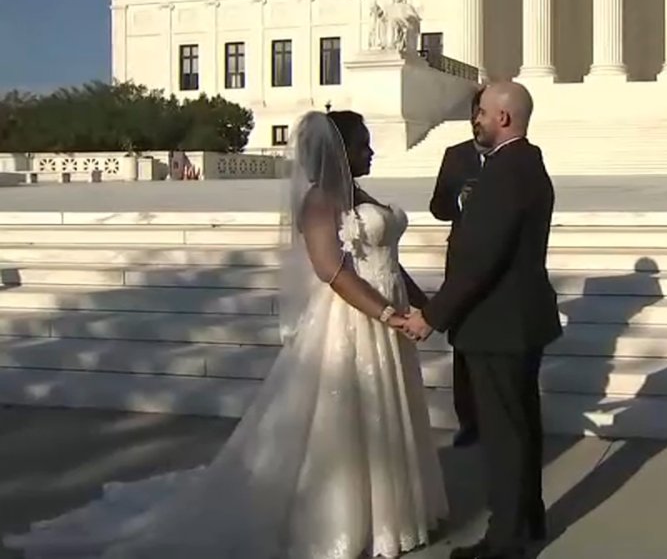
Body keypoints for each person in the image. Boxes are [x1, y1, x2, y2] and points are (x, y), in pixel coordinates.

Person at [4, 110, 448, 557]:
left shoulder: (360, 194)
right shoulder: (319, 202)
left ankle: (390, 512)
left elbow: (388, 262)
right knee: (347, 418)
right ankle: (343, 520)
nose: (370, 151)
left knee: (382, 411)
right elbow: (331, 271)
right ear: (339, 151)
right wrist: (388, 314)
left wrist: (424, 305)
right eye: (361, 143)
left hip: (385, 312)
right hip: (353, 319)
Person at [400, 81, 560, 559]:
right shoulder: (528, 163)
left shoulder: (505, 172)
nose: (476, 120)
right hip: (519, 319)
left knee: (504, 437)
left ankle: (505, 541)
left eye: (482, 113)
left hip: (497, 323)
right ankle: (527, 520)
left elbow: (480, 259)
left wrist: (432, 315)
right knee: (522, 426)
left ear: (503, 118)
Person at [428, 86, 487, 448]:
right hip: (463, 260)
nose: (476, 120)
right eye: (474, 113)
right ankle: (469, 421)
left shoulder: (512, 157)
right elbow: (438, 207)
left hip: (499, 264)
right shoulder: (456, 155)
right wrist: (458, 201)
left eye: (482, 113)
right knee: (463, 342)